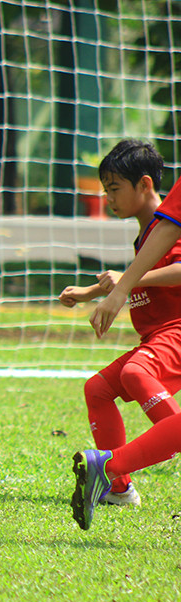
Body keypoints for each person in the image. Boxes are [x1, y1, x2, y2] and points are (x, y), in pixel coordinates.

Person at [59, 140, 181, 516]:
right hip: (157, 335)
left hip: (177, 331)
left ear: (144, 185)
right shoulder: (150, 232)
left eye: (114, 189)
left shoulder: (164, 222)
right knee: (98, 388)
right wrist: (89, 292)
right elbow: (127, 277)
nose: (108, 198)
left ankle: (171, 435)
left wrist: (129, 283)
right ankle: (118, 487)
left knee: (135, 372)